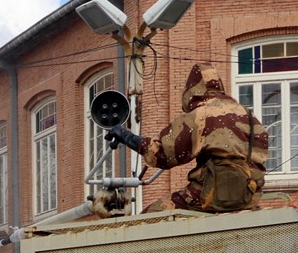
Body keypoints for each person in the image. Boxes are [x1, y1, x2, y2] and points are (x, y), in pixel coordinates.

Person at [105, 63, 268, 213]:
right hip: (249, 197)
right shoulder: (249, 115)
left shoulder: (201, 114)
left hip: (210, 194)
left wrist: (126, 136)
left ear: (192, 91)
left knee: (151, 216)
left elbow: (160, 155)